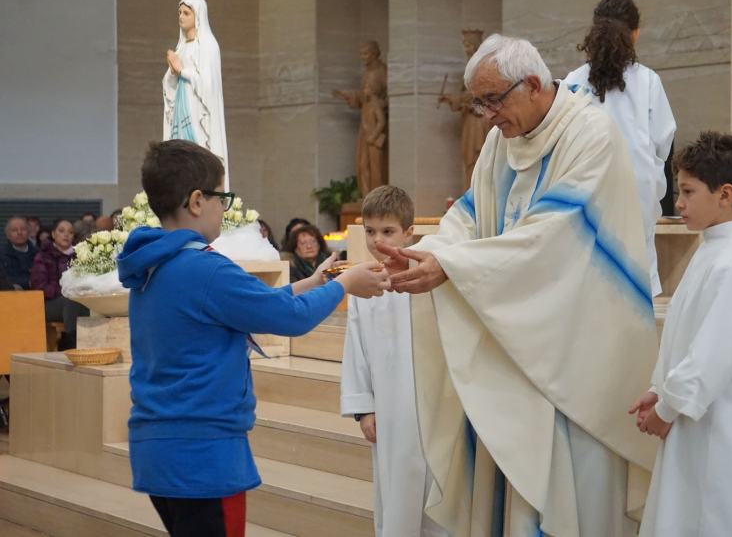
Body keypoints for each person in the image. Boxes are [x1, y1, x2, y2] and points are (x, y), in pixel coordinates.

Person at [376, 34, 658, 536]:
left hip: (573, 347)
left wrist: (455, 267)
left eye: (493, 100)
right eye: (479, 103)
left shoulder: (590, 134)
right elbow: (470, 213)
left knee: (569, 492)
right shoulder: (500, 143)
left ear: (531, 83)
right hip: (513, 338)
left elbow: (556, 234)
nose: (486, 115)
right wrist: (434, 253)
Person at [116, 139, 388, 537]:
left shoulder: (155, 265)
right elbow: (290, 320)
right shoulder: (204, 269)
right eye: (220, 198)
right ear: (196, 201)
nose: (222, 210)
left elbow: (254, 305)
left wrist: (311, 283)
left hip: (159, 446)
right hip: (203, 450)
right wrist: (345, 284)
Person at [630, 132, 732, 537]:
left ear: (725, 194)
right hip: (694, 413)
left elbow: (712, 355)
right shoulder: (713, 249)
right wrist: (660, 389)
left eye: (688, 191)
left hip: (718, 423)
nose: (679, 203)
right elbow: (686, 333)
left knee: (711, 517)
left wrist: (668, 407)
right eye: (678, 191)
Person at [341, 186, 448, 537]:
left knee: (438, 492)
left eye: (387, 231)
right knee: (395, 494)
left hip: (433, 406)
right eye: (370, 231)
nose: (377, 240)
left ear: (409, 232)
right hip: (389, 407)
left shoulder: (430, 274)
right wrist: (364, 407)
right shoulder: (361, 281)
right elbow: (355, 346)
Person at [563, 0, 676, 297]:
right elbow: (664, 141)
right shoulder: (648, 81)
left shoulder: (573, 81)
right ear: (635, 33)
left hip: (586, 185)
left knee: (589, 269)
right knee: (636, 274)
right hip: (636, 187)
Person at [162, 0, 229, 187]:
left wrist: (181, 70)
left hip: (198, 108)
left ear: (197, 15)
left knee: (197, 148)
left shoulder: (208, 46)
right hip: (181, 104)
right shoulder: (181, 47)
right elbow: (170, 81)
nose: (181, 17)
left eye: (186, 13)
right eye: (179, 13)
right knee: (179, 151)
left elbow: (209, 84)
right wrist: (173, 72)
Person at [438, 29, 493, 192]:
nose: (466, 49)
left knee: (477, 157)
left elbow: (475, 94)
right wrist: (452, 99)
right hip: (470, 118)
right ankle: (471, 195)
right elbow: (464, 97)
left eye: (469, 45)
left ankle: (478, 196)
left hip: (479, 119)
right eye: (465, 45)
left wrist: (456, 98)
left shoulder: (482, 68)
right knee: (469, 160)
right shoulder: (470, 68)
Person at [333, 41, 389, 196]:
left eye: (366, 53)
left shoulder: (382, 71)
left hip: (375, 129)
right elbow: (363, 97)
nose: (363, 57)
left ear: (375, 53)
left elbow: (390, 97)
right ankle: (366, 197)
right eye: (361, 54)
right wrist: (350, 96)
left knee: (376, 166)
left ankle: (377, 198)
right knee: (362, 163)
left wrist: (377, 104)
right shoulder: (366, 73)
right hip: (364, 125)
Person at [29, 219, 89, 350]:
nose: (66, 235)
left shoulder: (80, 255)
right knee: (70, 300)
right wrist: (65, 290)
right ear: (53, 234)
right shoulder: (43, 256)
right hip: (50, 303)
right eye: (61, 231)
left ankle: (91, 341)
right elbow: (39, 286)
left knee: (91, 301)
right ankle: (70, 342)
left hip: (76, 299)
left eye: (70, 232)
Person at [1, 217, 38, 290]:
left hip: (36, 295)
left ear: (28, 232)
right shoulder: (1, 254)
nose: (19, 233)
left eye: (23, 229)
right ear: (7, 235)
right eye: (14, 230)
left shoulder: (38, 254)